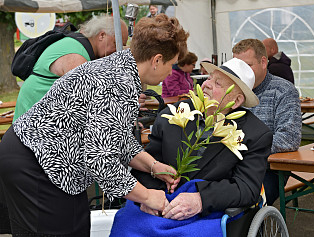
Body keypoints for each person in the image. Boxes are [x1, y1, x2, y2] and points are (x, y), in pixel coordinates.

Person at [0, 14, 189, 236]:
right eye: (171, 65)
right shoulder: (119, 84)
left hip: (34, 154)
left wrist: (152, 165)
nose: (170, 74)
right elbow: (101, 159)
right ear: (156, 60)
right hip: (36, 162)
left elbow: (113, 137)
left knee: (76, 224)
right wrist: (147, 196)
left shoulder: (121, 65)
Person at [131, 58, 273, 221]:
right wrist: (146, 196)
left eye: (218, 83)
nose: (206, 84)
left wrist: (200, 199)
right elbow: (147, 165)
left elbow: (246, 188)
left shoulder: (254, 134)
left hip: (207, 214)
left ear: (237, 101)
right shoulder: (176, 113)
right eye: (209, 78)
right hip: (158, 207)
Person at [13, 16, 129, 121]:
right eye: (116, 44)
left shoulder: (79, 43)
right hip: (31, 126)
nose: (118, 51)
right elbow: (92, 101)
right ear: (102, 35)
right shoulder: (76, 55)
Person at [232, 38, 302, 205]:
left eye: (247, 66)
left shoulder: (284, 91)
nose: (242, 73)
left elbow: (289, 139)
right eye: (237, 67)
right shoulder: (230, 90)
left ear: (263, 62)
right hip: (230, 166)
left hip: (269, 169)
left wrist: (241, 148)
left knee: (242, 204)